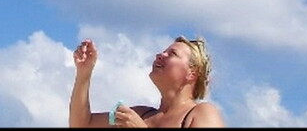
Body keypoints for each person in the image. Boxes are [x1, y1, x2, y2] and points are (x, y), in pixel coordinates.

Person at [69, 36, 225, 128]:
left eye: (172, 53)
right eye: (163, 51)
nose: (160, 54)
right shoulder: (141, 114)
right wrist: (84, 73)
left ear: (192, 73)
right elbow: (82, 124)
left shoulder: (202, 113)